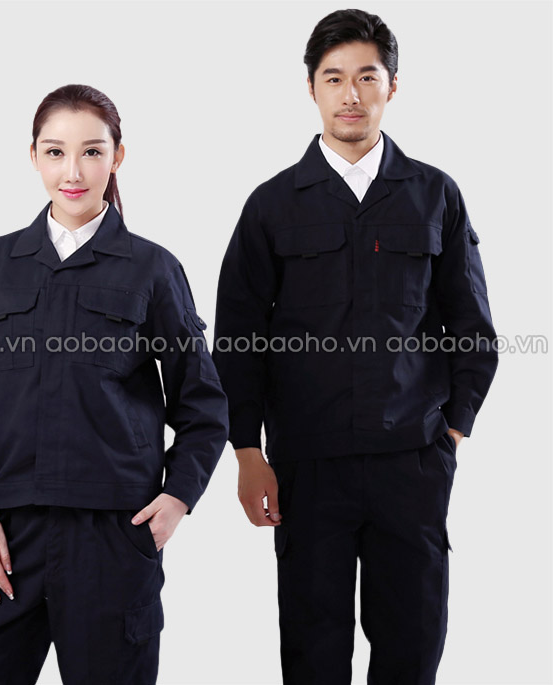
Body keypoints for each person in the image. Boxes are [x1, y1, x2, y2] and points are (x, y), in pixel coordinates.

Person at [212, 9, 498, 685]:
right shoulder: (272, 205)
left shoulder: (434, 195)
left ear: (392, 86)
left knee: (412, 643)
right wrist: (247, 452)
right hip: (308, 466)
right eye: (333, 78)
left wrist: (452, 432)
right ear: (311, 88)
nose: (350, 94)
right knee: (312, 650)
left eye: (366, 77)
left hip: (412, 460)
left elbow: (473, 328)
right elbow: (236, 339)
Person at [0, 83, 229, 685]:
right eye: (55, 152)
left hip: (113, 533)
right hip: (11, 532)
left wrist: (178, 498)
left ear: (117, 157)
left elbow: (203, 402)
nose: (73, 171)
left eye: (92, 151)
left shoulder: (152, 268)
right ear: (34, 157)